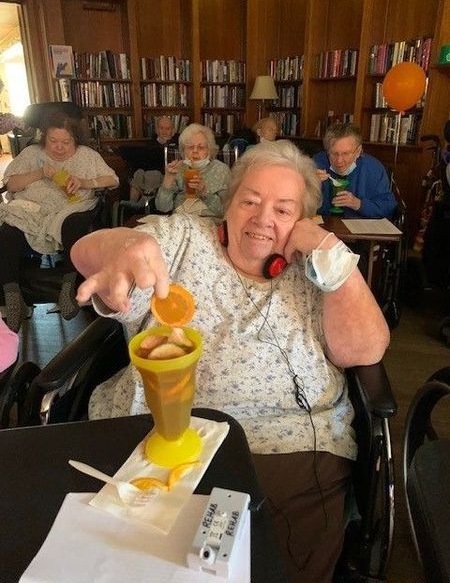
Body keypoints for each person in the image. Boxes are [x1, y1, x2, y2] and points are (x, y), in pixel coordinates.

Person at [72, 140, 389, 582]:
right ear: (229, 204)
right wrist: (117, 246)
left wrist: (327, 251)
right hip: (160, 434)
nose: (263, 219)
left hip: (286, 445)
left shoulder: (318, 271)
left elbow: (365, 350)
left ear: (302, 221)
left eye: (283, 210)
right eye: (251, 201)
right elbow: (96, 249)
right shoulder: (184, 238)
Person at [0, 109, 119, 332]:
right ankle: (13, 298)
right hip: (32, 211)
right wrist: (41, 172)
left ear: (75, 140)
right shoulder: (31, 153)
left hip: (70, 208)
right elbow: (11, 185)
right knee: (7, 231)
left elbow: (112, 180)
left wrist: (84, 182)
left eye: (66, 142)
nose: (59, 147)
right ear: (44, 137)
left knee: (74, 223)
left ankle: (68, 288)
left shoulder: (86, 155)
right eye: (53, 141)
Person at [314, 122, 397, 218]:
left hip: (361, 229)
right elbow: (299, 205)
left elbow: (388, 208)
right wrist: (310, 186)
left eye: (346, 153)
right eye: (334, 153)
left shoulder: (373, 168)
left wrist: (359, 204)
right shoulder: (315, 164)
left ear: (358, 151)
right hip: (324, 228)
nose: (339, 160)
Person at [155, 123, 231, 218]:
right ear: (183, 151)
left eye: (201, 147)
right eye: (190, 147)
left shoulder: (221, 170)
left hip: (209, 224)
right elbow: (162, 208)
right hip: (179, 222)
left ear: (209, 150)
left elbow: (226, 212)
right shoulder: (177, 169)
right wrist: (168, 179)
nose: (195, 151)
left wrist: (205, 193)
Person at [129, 116, 179, 203]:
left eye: (168, 129)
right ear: (156, 130)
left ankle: (145, 203)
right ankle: (132, 204)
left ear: (173, 131)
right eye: (161, 128)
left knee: (153, 174)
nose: (164, 131)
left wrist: (167, 143)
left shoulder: (178, 143)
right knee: (138, 173)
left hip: (167, 175)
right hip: (147, 173)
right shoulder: (150, 144)